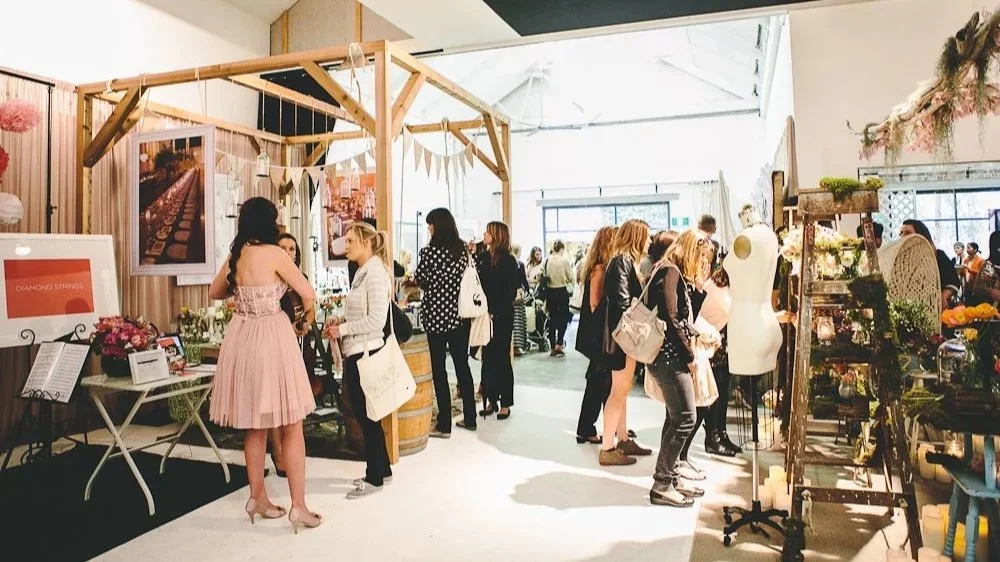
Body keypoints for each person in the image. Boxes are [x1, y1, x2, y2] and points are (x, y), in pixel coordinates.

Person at [207, 197, 320, 532]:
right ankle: (299, 506)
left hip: (242, 338)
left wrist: (243, 295)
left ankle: (257, 497)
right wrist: (298, 314)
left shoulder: (237, 254)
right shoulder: (275, 254)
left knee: (254, 425)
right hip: (273, 337)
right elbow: (308, 291)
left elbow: (215, 291)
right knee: (292, 424)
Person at [324, 222, 394, 499]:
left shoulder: (374, 273)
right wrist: (341, 320)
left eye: (351, 241)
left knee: (367, 416)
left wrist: (342, 330)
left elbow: (377, 320)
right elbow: (362, 314)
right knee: (368, 416)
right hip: (358, 350)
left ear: (366, 242)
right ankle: (382, 470)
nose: (346, 246)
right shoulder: (364, 272)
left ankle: (374, 477)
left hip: (366, 352)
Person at [644, 229, 712, 507]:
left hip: (668, 356)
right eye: (701, 256)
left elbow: (680, 315)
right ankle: (662, 483)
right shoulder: (670, 272)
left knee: (675, 418)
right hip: (669, 357)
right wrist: (689, 355)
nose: (703, 263)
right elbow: (673, 319)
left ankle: (670, 477)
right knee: (685, 418)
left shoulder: (669, 271)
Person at [415, 208, 477, 438]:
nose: (428, 228)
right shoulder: (462, 251)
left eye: (430, 224)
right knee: (462, 367)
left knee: (439, 371)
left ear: (437, 226)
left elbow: (421, 279)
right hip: (459, 316)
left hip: (435, 318)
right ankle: (470, 417)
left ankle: (444, 424)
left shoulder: (429, 253)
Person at [599, 219, 653, 466]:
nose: (649, 241)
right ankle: (607, 447)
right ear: (637, 237)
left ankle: (621, 438)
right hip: (622, 339)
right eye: (647, 236)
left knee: (621, 391)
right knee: (618, 392)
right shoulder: (622, 261)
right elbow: (622, 302)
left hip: (622, 337)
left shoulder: (623, 261)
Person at [268, 233, 317, 478]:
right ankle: (278, 454)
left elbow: (310, 310)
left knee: (293, 402)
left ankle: (292, 449)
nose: (288, 252)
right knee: (275, 401)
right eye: (283, 247)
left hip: (297, 346)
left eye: (292, 249)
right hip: (273, 345)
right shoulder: (268, 279)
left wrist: (304, 324)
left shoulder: (300, 278)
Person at [573, 226, 618, 444]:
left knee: (601, 381)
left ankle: (606, 425)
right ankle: (586, 428)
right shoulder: (600, 269)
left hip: (598, 336)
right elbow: (595, 304)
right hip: (600, 337)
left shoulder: (599, 267)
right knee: (598, 381)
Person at [477, 221, 519, 419]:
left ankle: (505, 403)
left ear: (496, 235)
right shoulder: (484, 258)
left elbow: (510, 292)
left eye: (487, 232)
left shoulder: (509, 261)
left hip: (502, 316)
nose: (484, 235)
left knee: (502, 358)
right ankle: (490, 399)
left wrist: (496, 311)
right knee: (487, 358)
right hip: (486, 315)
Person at [699, 265, 742, 457]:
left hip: (718, 343)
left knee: (723, 390)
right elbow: (736, 314)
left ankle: (721, 434)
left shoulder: (726, 287)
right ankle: (713, 438)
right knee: (715, 393)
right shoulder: (719, 289)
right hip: (709, 344)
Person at [900, 219, 960, 309]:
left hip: (936, 308)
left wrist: (944, 294)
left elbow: (953, 281)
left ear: (921, 235)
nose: (902, 236)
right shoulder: (902, 262)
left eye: (907, 233)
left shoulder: (939, 256)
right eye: (901, 233)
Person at [544, 240, 575, 356]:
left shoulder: (546, 260)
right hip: (562, 292)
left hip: (550, 292)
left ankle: (552, 346)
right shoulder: (564, 261)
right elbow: (571, 277)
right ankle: (559, 343)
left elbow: (540, 276)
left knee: (552, 319)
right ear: (562, 249)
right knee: (564, 318)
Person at [512, 244, 530, 356]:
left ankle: (512, 345)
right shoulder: (519, 264)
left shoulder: (506, 262)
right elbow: (524, 280)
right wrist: (528, 290)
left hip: (508, 296)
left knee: (512, 322)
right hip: (518, 295)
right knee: (519, 321)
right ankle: (517, 346)